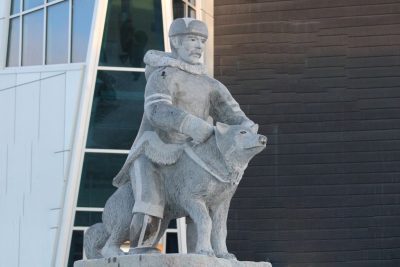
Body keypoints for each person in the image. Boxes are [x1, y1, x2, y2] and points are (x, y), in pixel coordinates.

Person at [112, 18, 257, 253]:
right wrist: (192, 125)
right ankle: (140, 248)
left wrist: (248, 127)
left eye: (202, 41)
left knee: (207, 200)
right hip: (156, 152)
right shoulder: (163, 76)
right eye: (192, 40)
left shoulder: (211, 84)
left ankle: (203, 251)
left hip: (193, 154)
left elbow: (232, 114)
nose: (198, 46)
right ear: (175, 43)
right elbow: (157, 110)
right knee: (151, 200)